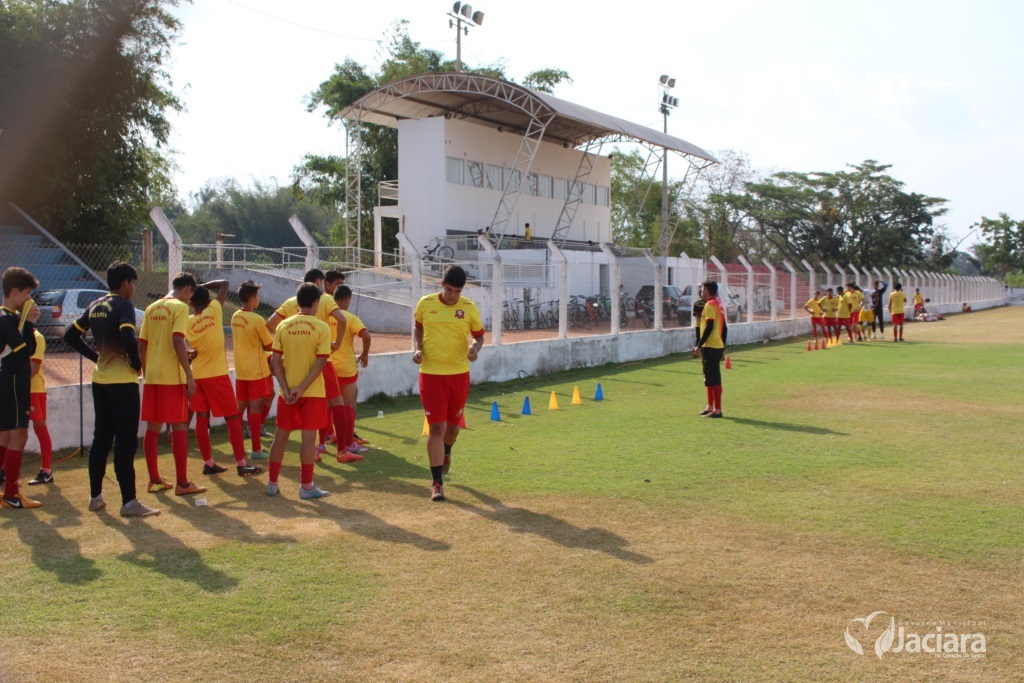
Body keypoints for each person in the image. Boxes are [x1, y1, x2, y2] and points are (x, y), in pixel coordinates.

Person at [64, 262, 159, 516]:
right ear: (125, 282)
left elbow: (70, 335)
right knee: (125, 442)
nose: (133, 288)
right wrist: (136, 364)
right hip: (122, 383)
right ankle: (129, 503)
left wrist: (96, 358)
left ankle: (95, 497)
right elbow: (127, 337)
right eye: (133, 283)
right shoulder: (123, 305)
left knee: (101, 439)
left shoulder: (95, 305)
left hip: (101, 381)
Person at [413, 265, 485, 502]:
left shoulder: (469, 307)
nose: (453, 295)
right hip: (431, 375)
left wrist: (474, 349)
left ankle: (447, 450)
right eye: (449, 289)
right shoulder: (425, 304)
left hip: (459, 375)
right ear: (441, 284)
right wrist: (418, 349)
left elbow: (479, 336)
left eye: (458, 291)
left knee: (453, 428)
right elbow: (418, 328)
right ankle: (437, 484)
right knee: (436, 428)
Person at [267, 268, 350, 462]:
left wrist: (289, 342)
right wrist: (337, 344)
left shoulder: (291, 302)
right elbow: (342, 319)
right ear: (319, 283)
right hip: (321, 362)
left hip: (293, 363)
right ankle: (342, 450)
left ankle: (315, 448)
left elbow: (270, 323)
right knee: (335, 403)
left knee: (290, 413)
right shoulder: (324, 299)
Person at [139, 272, 206, 496]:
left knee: (152, 428)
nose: (190, 300)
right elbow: (177, 340)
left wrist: (147, 373)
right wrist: (189, 375)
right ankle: (183, 484)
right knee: (179, 427)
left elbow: (142, 345)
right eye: (190, 295)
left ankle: (155, 479)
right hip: (172, 377)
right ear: (187, 289)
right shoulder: (180, 307)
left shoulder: (151, 308)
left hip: (153, 376)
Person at [186, 284, 263, 477]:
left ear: (191, 303)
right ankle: (241, 463)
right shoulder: (214, 310)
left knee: (202, 419)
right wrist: (200, 286)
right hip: (217, 375)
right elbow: (224, 285)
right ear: (208, 301)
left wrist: (191, 289)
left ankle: (208, 463)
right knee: (232, 418)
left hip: (197, 375)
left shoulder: (187, 322)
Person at [266, 283, 332, 499]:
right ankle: (306, 487)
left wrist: (286, 388)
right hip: (312, 392)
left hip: (287, 394)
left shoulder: (283, 325)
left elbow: (275, 361)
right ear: (315, 302)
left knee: (280, 437)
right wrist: (302, 388)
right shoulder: (322, 327)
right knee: (308, 439)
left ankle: (272, 484)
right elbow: (321, 362)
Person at [0, 267, 42, 509]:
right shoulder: (6, 319)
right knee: (18, 434)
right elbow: (25, 350)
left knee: (6, 435)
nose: (29, 299)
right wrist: (29, 322)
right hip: (13, 381)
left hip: (11, 380)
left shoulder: (11, 317)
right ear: (14, 291)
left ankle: (9, 493)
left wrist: (27, 322)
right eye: (27, 293)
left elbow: (30, 348)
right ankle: (11, 494)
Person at [231, 280, 274, 459]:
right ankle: (256, 449)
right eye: (257, 296)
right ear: (251, 299)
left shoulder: (235, 316)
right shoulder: (257, 320)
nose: (259, 299)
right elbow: (269, 345)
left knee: (239, 410)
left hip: (241, 371)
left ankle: (237, 449)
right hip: (257, 371)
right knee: (255, 409)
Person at [331, 285, 371, 461]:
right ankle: (348, 443)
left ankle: (322, 443)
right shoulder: (349, 317)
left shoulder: (324, 315)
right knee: (348, 407)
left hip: (327, 366)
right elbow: (366, 336)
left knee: (329, 407)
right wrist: (365, 354)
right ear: (347, 299)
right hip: (346, 368)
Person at [693, 280, 727, 418]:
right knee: (708, 377)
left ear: (706, 290)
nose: (701, 292)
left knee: (714, 378)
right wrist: (723, 348)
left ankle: (717, 410)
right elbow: (725, 328)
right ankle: (710, 407)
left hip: (710, 345)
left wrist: (698, 345)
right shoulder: (718, 304)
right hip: (715, 346)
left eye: (702, 289)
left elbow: (709, 327)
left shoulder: (710, 305)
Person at [27, 327, 54, 485]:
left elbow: (34, 367)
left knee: (40, 427)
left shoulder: (37, 337)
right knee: (8, 430)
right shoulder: (13, 334)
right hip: (16, 390)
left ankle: (46, 471)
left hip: (34, 390)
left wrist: (18, 383)